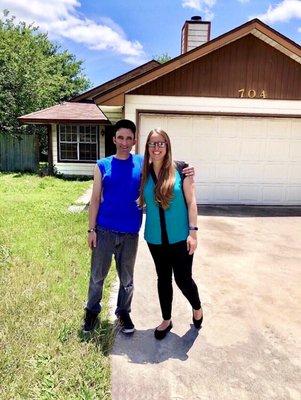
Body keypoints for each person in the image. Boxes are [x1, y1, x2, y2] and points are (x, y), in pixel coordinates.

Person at [83, 120, 194, 335]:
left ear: (135, 141)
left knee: (127, 280)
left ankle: (123, 312)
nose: (124, 142)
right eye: (120, 138)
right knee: (97, 276)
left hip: (130, 233)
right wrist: (91, 230)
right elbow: (95, 199)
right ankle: (92, 311)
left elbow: (166, 163)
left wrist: (187, 168)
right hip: (104, 230)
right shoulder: (102, 165)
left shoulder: (143, 164)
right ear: (114, 139)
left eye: (129, 138)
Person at [138, 128, 203, 340]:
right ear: (147, 148)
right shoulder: (144, 172)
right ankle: (166, 319)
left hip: (180, 237)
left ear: (167, 146)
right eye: (152, 144)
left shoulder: (181, 169)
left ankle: (197, 307)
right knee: (163, 278)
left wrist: (193, 233)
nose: (156, 148)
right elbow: (138, 196)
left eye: (160, 143)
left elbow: (192, 202)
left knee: (183, 279)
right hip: (155, 238)